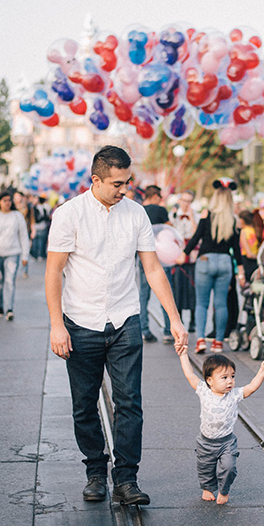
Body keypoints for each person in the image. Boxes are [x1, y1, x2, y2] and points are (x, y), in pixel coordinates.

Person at [45, 145, 188, 505]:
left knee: (130, 403)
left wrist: (174, 318)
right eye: (117, 183)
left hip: (125, 320)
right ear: (95, 179)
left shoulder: (136, 214)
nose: (124, 189)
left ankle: (126, 479)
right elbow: (54, 271)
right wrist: (55, 325)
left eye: (127, 182)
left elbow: (153, 268)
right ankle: (95, 470)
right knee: (84, 404)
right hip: (80, 321)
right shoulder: (69, 215)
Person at [177, 350, 264, 504]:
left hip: (226, 442)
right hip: (205, 442)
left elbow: (252, 387)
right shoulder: (203, 391)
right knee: (205, 468)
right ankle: (207, 488)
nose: (230, 381)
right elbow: (190, 374)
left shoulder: (234, 395)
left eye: (232, 376)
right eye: (224, 377)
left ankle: (224, 490)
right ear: (210, 380)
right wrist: (183, 355)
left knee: (229, 467)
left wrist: (263, 371)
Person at [179, 182, 246, 354]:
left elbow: (196, 237)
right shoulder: (233, 219)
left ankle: (200, 340)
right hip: (225, 262)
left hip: (205, 260)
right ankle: (218, 342)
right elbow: (236, 248)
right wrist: (241, 271)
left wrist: (184, 253)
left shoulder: (206, 214)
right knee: (221, 304)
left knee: (202, 303)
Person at [0, 190, 30, 321]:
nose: (8, 203)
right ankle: (0, 305)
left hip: (12, 253)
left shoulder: (17, 216)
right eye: (5, 201)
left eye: (9, 201)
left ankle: (9, 309)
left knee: (10, 281)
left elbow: (23, 236)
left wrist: (25, 255)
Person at [163, 190, 198, 343]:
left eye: (189, 201)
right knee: (177, 288)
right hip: (177, 256)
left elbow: (198, 235)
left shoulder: (196, 216)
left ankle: (192, 320)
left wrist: (191, 219)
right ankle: (179, 320)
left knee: (192, 288)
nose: (186, 204)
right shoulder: (173, 215)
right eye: (184, 200)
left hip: (191, 256)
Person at [138, 185, 170, 343]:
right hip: (161, 256)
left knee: (143, 295)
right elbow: (169, 229)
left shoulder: (138, 210)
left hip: (142, 256)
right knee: (165, 292)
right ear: (156, 196)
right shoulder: (161, 210)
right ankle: (168, 331)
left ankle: (144, 329)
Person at [238, 209, 264, 281]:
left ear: (242, 221)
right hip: (257, 263)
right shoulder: (257, 231)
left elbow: (249, 254)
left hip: (247, 262)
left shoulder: (243, 232)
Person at [30, 194, 51, 260]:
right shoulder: (36, 208)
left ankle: (38, 254)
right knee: (39, 242)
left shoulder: (42, 208)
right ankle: (38, 254)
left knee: (39, 242)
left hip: (41, 227)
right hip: (39, 227)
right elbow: (38, 218)